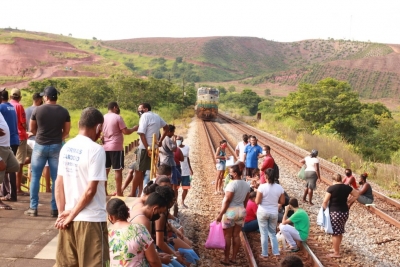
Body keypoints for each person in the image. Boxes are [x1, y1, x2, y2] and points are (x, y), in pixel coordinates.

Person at [54, 107, 109, 266]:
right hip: (91, 220)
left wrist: (62, 214)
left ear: (79, 123)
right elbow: (91, 190)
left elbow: (59, 183)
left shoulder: (67, 147)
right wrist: (70, 216)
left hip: (68, 220)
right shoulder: (96, 150)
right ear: (98, 127)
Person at [25, 86, 70, 217]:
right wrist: (57, 138)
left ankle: (33, 208)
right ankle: (55, 208)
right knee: (57, 178)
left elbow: (32, 129)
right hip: (56, 147)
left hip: (40, 146)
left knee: (35, 177)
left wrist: (40, 135)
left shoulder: (38, 110)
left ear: (46, 97)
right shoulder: (64, 111)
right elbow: (66, 132)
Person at [107, 198, 162, 267]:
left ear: (110, 217)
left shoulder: (107, 234)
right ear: (126, 212)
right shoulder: (139, 229)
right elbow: (153, 261)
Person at [131, 103, 169, 197]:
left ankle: (133, 193)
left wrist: (147, 147)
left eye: (140, 109)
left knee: (138, 171)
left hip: (145, 148)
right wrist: (160, 141)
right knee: (150, 171)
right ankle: (141, 193)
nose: (139, 111)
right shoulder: (156, 116)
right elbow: (166, 127)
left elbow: (141, 133)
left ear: (146, 109)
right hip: (154, 148)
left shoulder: (144, 116)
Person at [216, 164, 250, 265]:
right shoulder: (246, 185)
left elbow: (227, 200)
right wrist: (242, 209)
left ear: (235, 174)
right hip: (241, 210)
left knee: (227, 235)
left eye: (230, 172)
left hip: (230, 211)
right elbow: (246, 200)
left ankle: (226, 258)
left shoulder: (232, 184)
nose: (229, 174)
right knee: (236, 235)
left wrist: (221, 214)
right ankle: (234, 258)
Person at [102, 102, 137, 196]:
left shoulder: (103, 117)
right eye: (117, 107)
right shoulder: (117, 117)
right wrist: (134, 129)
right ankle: (119, 193)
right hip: (116, 147)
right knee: (118, 170)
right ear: (114, 107)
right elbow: (125, 131)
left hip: (105, 147)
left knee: (105, 171)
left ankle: (105, 192)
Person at [322, 173, 359, 258]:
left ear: (333, 180)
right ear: (341, 179)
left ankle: (336, 253)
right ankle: (336, 248)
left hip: (335, 212)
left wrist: (325, 211)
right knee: (340, 231)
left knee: (335, 233)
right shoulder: (347, 187)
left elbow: (325, 201)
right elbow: (357, 194)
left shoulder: (331, 188)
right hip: (344, 212)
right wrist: (349, 202)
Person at [255, 168, 285, 257]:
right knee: (272, 232)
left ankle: (264, 253)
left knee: (263, 233)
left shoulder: (262, 187)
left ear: (266, 176)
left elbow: (257, 201)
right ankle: (276, 252)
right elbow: (282, 201)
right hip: (273, 212)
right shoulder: (279, 188)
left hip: (262, 211)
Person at [25, 93, 51, 193]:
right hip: (39, 140)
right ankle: (48, 189)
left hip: (28, 139)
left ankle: (31, 188)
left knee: (32, 165)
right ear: (39, 99)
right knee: (45, 165)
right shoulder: (42, 110)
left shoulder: (26, 110)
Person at [10, 88, 30, 201]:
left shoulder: (7, 105)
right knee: (20, 163)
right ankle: (18, 188)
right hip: (21, 136)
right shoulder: (19, 106)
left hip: (12, 137)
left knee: (28, 157)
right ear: (20, 97)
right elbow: (22, 122)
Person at [0, 89, 20, 201]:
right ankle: (7, 194)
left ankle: (7, 193)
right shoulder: (10, 106)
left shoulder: (2, 107)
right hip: (8, 142)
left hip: (8, 143)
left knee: (12, 166)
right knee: (3, 167)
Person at [159, 125, 180, 198]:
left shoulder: (161, 137)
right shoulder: (167, 138)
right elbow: (173, 149)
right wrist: (175, 140)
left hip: (163, 161)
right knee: (174, 181)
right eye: (173, 132)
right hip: (169, 162)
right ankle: (173, 198)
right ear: (169, 132)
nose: (173, 133)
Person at [176, 136, 193, 209]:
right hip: (178, 170)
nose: (178, 141)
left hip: (185, 171)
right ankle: (175, 202)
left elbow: (188, 158)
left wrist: (190, 168)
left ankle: (182, 202)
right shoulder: (175, 149)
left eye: (179, 140)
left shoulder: (187, 148)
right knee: (176, 188)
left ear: (182, 140)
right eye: (176, 140)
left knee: (185, 188)